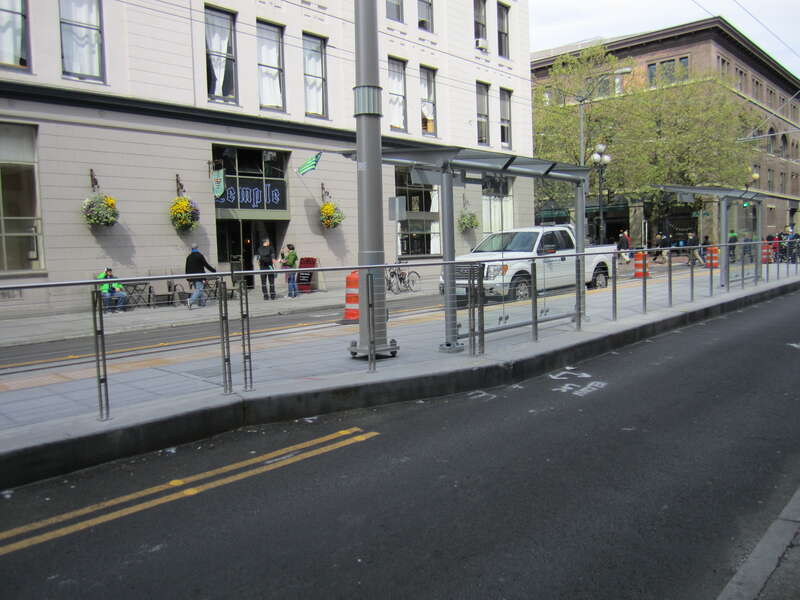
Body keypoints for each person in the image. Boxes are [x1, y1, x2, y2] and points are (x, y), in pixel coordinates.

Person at [185, 243, 216, 309]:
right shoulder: (199, 256)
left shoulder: (189, 257)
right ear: (197, 248)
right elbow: (206, 265)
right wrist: (214, 271)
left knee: (199, 289)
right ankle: (190, 301)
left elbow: (187, 267)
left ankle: (202, 303)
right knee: (199, 289)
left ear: (192, 248)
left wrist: (188, 278)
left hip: (192, 276)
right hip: (199, 276)